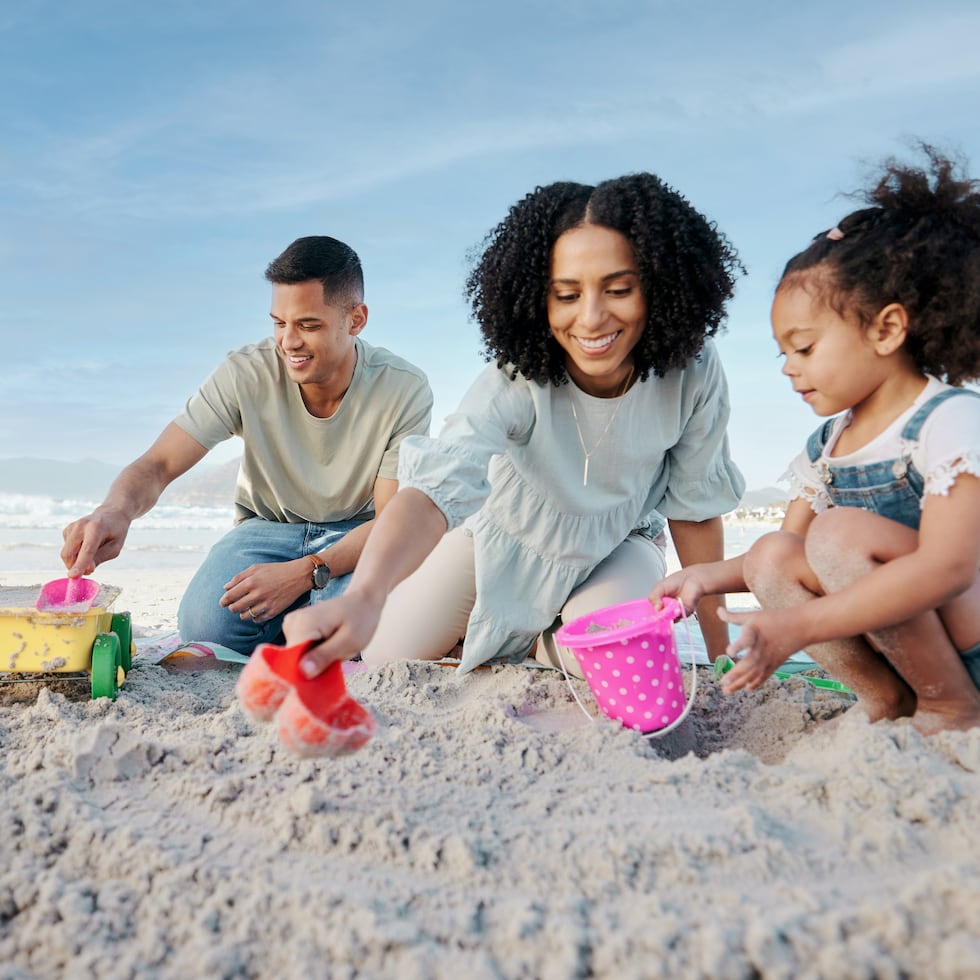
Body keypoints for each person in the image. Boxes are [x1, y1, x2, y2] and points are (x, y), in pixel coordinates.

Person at [282, 173, 745, 679]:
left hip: (620, 545)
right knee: (387, 653)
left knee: (614, 664)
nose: (590, 318)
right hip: (503, 534)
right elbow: (436, 487)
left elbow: (695, 508)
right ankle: (513, 636)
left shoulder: (692, 369)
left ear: (659, 286)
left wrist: (721, 654)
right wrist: (366, 597)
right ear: (536, 296)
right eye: (566, 294)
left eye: (618, 289)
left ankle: (529, 644)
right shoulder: (517, 378)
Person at [652, 146, 980, 735]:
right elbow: (782, 555)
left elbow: (950, 568)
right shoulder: (826, 444)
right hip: (904, 650)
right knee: (776, 553)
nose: (788, 368)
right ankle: (888, 703)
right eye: (783, 353)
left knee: (839, 530)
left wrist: (802, 627)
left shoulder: (946, 420)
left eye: (804, 348)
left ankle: (953, 705)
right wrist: (704, 576)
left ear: (886, 329)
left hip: (968, 638)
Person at [61, 236, 433, 653]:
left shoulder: (404, 387)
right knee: (204, 627)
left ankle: (297, 608)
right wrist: (115, 511)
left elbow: (390, 520)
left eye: (308, 325)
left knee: (361, 635)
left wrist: (305, 573)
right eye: (279, 323)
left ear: (356, 320)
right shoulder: (245, 373)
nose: (289, 342)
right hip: (266, 529)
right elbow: (160, 463)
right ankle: (291, 614)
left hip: (356, 533)